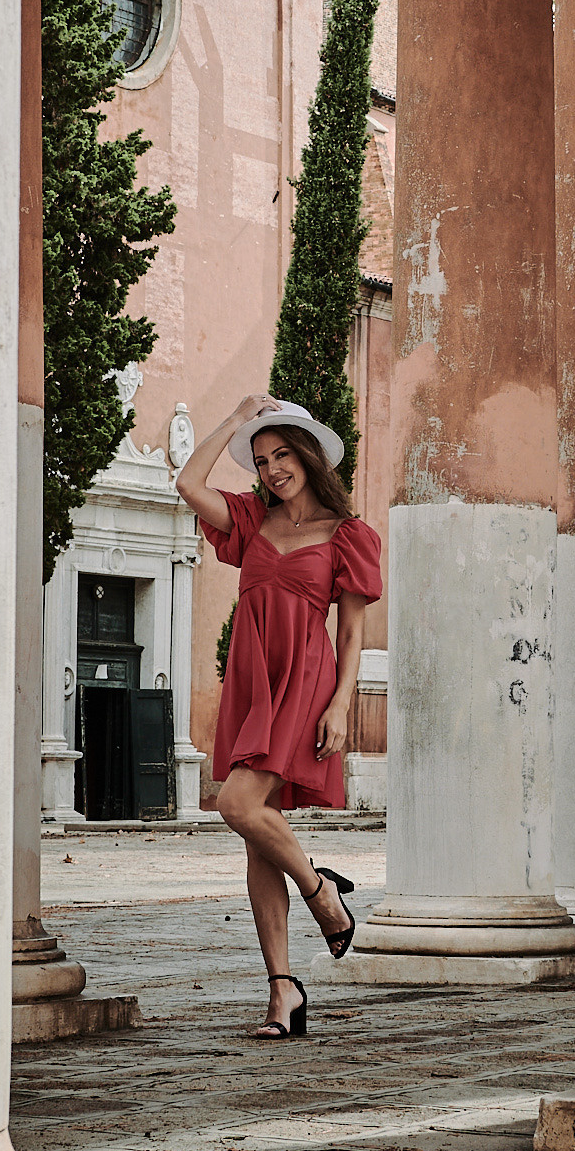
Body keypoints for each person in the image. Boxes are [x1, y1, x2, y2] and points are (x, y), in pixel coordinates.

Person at [175, 392, 383, 1039]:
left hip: (305, 681)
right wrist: (235, 420)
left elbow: (350, 634)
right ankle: (283, 991)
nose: (270, 470)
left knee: (238, 805)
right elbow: (187, 481)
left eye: (281, 454)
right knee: (254, 828)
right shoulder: (247, 521)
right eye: (260, 460)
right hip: (252, 679)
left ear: (309, 455)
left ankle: (324, 893)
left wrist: (342, 704)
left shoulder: (347, 535)